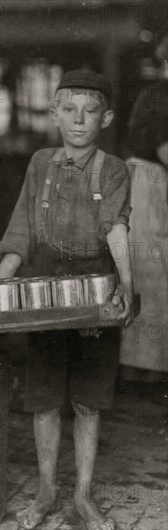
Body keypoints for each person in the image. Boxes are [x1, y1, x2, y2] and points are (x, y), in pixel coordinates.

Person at [0, 70, 134, 530]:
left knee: (89, 402)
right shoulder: (40, 164)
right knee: (45, 400)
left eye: (90, 111)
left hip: (96, 290)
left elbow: (116, 229)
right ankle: (47, 490)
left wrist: (126, 288)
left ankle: (83, 495)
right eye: (68, 110)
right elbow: (22, 229)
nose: (79, 120)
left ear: (106, 117)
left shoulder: (113, 169)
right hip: (47, 291)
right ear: (53, 114)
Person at [120, 82, 168, 381]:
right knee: (153, 294)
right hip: (150, 195)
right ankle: (149, 375)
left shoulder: (127, 167)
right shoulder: (156, 174)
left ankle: (133, 371)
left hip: (139, 187)